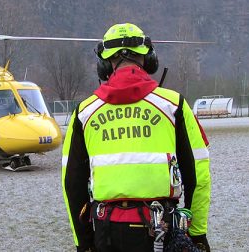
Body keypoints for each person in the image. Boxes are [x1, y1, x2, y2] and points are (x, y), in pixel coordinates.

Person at [62, 23, 211, 252]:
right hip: (161, 229)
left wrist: (83, 243)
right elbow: (199, 174)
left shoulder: (83, 113)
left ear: (103, 64)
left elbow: (72, 183)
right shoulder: (174, 105)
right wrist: (197, 233)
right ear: (149, 59)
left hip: (106, 232)